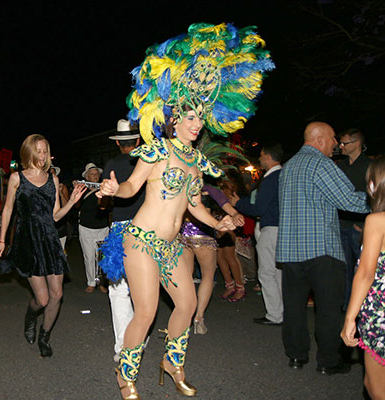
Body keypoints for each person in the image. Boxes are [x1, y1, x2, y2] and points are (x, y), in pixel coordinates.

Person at [98, 23, 273, 399]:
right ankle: (125, 374)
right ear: (175, 119)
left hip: (173, 244)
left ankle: (171, 363)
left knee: (188, 303)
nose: (196, 125)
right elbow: (132, 186)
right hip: (142, 241)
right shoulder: (156, 151)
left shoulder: (196, 163)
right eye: (189, 118)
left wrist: (221, 222)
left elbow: (195, 207)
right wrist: (116, 189)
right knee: (145, 312)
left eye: (200, 119)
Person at [277, 121, 369, 374]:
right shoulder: (321, 164)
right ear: (318, 139)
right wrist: (378, 199)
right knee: (328, 308)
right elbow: (350, 200)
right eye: (332, 139)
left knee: (294, 307)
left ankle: (296, 355)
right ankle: (328, 361)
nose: (336, 144)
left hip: (291, 251)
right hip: (321, 250)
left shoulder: (289, 166)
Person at [0, 134, 86, 357]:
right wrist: (2, 240)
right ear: (29, 152)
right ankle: (31, 317)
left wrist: (71, 201)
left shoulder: (52, 179)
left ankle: (45, 336)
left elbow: (55, 216)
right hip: (28, 240)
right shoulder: (16, 178)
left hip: (50, 240)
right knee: (42, 299)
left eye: (45, 151)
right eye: (39, 151)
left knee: (57, 294)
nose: (42, 156)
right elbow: (8, 210)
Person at [341, 157, 385, 399]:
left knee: (376, 386)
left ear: (373, 186)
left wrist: (350, 317)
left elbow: (366, 273)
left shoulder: (377, 221)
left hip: (381, 313)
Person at [100, 119, 144, 361]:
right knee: (144, 287)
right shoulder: (147, 161)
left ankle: (123, 347)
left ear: (117, 142)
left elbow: (104, 201)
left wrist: (102, 198)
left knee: (119, 289)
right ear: (137, 140)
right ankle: (140, 337)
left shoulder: (111, 165)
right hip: (146, 230)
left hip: (119, 230)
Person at [180, 182, 244, 334]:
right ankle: (199, 318)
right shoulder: (209, 188)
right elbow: (225, 204)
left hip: (183, 235)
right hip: (204, 235)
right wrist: (235, 214)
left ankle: (184, 317)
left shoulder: (182, 185)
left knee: (186, 278)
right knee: (207, 276)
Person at [233, 143, 283, 326]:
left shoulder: (272, 178)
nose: (260, 159)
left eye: (262, 156)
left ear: (268, 157)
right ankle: (281, 311)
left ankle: (275, 314)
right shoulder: (281, 176)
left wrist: (239, 204)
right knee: (277, 272)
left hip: (270, 228)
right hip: (278, 228)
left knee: (267, 272)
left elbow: (260, 208)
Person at [336, 128, 371, 310]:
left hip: (359, 226)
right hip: (341, 224)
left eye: (345, 143)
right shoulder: (340, 166)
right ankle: (346, 304)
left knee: (362, 268)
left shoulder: (369, 166)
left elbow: (374, 197)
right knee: (344, 268)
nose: (341, 146)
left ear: (357, 144)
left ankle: (363, 305)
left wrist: (364, 224)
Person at [78, 162, 109, 293]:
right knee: (89, 257)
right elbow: (76, 206)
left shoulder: (105, 188)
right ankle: (91, 281)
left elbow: (107, 206)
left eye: (97, 174)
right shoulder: (82, 188)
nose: (95, 176)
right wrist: (78, 189)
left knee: (102, 257)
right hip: (86, 227)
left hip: (102, 227)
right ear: (87, 177)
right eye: (92, 174)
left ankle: (102, 282)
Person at [216, 175, 247, 302]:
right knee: (220, 256)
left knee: (229, 256)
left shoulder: (228, 188)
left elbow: (231, 207)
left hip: (229, 224)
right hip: (217, 222)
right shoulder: (216, 188)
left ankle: (240, 287)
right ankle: (229, 285)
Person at [50, 165, 69, 249]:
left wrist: (60, 193)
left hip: (59, 227)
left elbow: (66, 207)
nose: (51, 175)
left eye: (53, 173)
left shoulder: (62, 187)